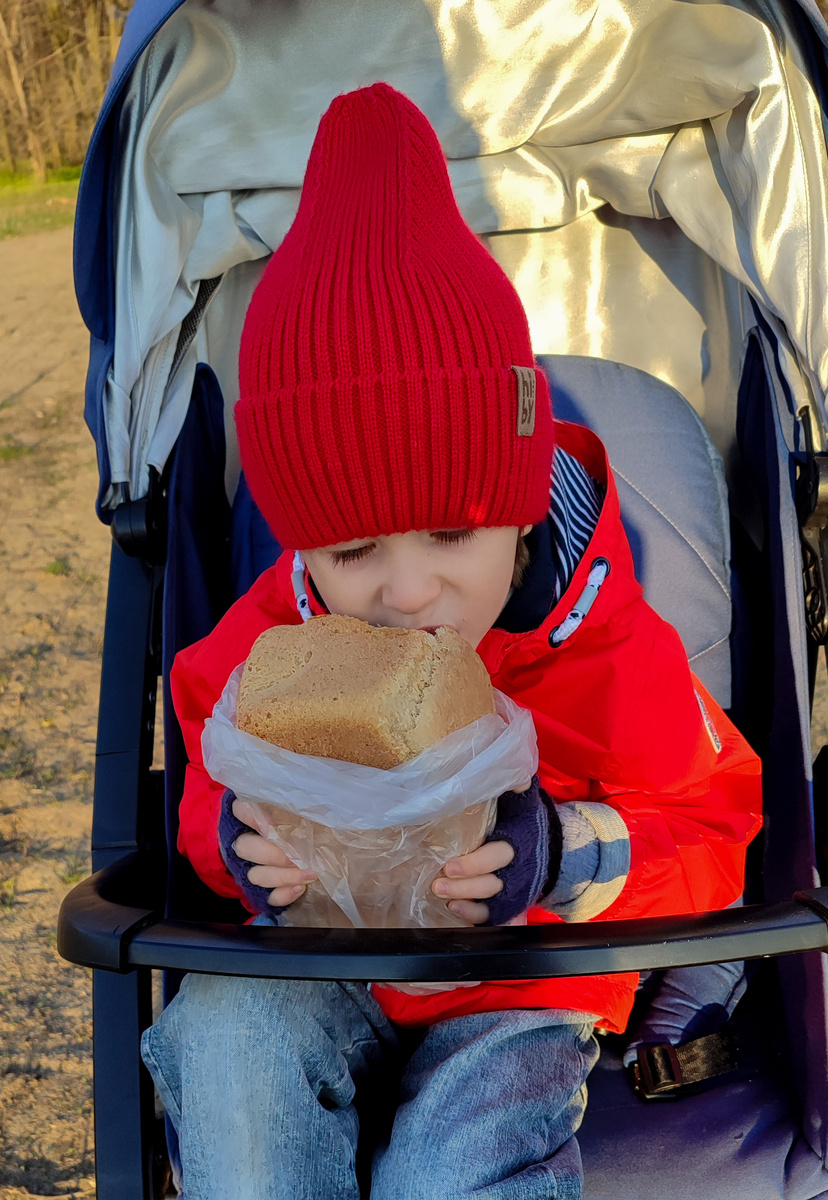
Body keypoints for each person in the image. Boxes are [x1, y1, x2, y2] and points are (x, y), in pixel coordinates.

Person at [140, 83, 762, 1199]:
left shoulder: (609, 651)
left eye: (449, 532)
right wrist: (239, 843)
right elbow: (201, 767)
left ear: (521, 508)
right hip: (319, 969)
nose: (406, 591)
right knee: (225, 1034)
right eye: (352, 550)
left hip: (516, 989)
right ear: (305, 548)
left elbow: (713, 825)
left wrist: (563, 853)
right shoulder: (277, 643)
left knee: (460, 1153)